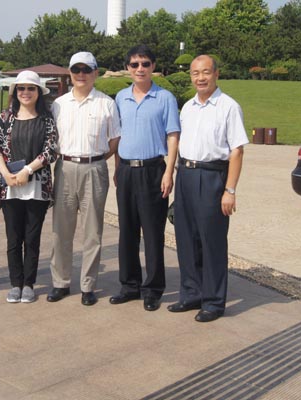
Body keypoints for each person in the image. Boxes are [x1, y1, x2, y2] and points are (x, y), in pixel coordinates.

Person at [168, 55, 248, 323]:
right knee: (186, 238)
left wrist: (230, 190)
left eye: (205, 72)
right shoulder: (187, 107)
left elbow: (237, 151)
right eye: (195, 73)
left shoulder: (228, 107)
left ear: (216, 74)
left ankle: (213, 301)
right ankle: (191, 293)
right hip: (186, 175)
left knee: (211, 241)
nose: (200, 78)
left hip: (213, 176)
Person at [47, 52, 121, 306]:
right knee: (61, 230)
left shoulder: (106, 103)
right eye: (76, 69)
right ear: (70, 73)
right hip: (65, 167)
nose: (81, 74)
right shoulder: (59, 104)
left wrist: (98, 159)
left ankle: (88, 285)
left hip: (94, 168)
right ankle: (61, 282)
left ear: (95, 73)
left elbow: (115, 139)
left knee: (92, 232)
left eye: (86, 70)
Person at [110, 44, 180, 312]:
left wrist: (169, 171)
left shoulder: (165, 98)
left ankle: (153, 289)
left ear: (153, 67)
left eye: (145, 64)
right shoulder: (120, 98)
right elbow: (117, 136)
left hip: (153, 171)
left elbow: (173, 135)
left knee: (152, 232)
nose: (140, 69)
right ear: (127, 68)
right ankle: (129, 285)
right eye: (134, 64)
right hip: (126, 170)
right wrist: (117, 167)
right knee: (127, 230)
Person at [0, 70, 58, 304]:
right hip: (10, 186)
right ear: (15, 91)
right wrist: (6, 174)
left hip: (37, 187)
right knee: (13, 239)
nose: (26, 92)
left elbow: (50, 150)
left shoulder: (46, 118)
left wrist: (27, 170)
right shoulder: (5, 117)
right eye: (21, 88)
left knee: (32, 238)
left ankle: (28, 283)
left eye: (31, 88)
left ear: (38, 92)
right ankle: (15, 283)